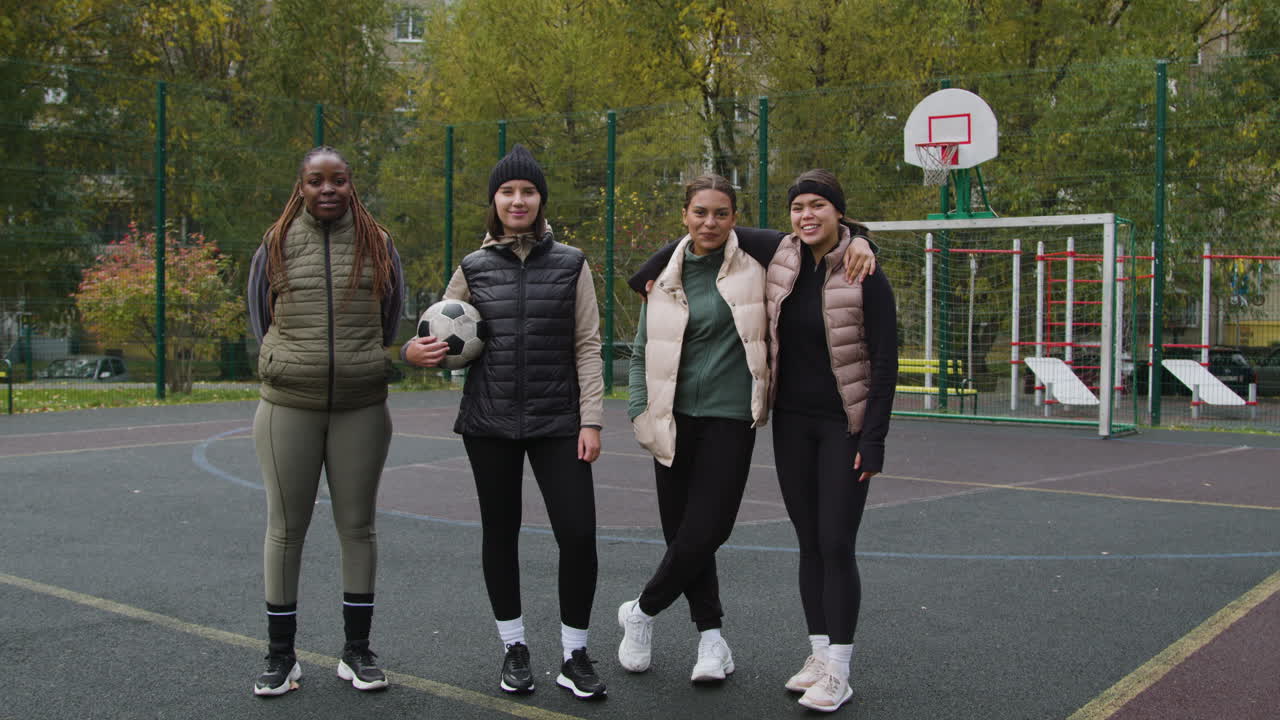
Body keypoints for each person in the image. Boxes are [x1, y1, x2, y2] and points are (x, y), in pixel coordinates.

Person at [403, 144, 608, 700]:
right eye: (507, 191)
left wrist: (591, 420)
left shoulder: (572, 262)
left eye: (528, 191)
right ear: (494, 201)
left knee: (580, 535)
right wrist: (417, 352)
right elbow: (439, 335)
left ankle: (575, 653)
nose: (518, 200)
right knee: (501, 533)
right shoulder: (472, 267)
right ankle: (514, 648)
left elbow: (588, 345)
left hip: (559, 420)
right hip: (488, 422)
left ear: (541, 200)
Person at [246, 145, 404, 696]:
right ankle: (280, 656)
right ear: (302, 186)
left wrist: (362, 361)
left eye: (338, 179)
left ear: (351, 184)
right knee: (285, 530)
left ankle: (356, 652)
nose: (328, 189)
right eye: (317, 180)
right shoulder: (275, 243)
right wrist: (292, 363)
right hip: (288, 405)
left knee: (357, 528)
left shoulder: (377, 243)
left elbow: (390, 316)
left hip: (361, 405)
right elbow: (260, 315)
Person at [616, 175, 768, 684]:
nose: (710, 222)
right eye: (700, 212)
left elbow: (815, 238)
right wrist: (640, 411)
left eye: (721, 213)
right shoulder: (662, 279)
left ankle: (640, 611)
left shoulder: (757, 269)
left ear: (733, 218)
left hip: (729, 418)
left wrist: (859, 241)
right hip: (670, 420)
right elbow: (640, 352)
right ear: (685, 215)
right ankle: (711, 641)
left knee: (709, 529)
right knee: (682, 535)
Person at [766, 169, 898, 712]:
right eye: (798, 207)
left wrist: (876, 437)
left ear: (838, 212)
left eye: (817, 205)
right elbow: (708, 227)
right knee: (808, 543)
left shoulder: (867, 273)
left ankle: (841, 670)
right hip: (791, 424)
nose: (806, 215)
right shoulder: (780, 260)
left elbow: (885, 362)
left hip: (844, 427)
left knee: (836, 544)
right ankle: (819, 655)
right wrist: (654, 273)